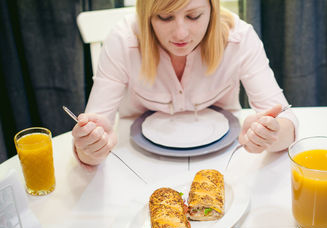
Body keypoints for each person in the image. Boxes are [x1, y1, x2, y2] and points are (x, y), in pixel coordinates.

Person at [72, 0, 298, 167]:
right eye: (165, 17)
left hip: (225, 161)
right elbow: (92, 140)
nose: (180, 33)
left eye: (194, 16)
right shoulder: (123, 41)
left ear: (212, 8)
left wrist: (270, 134)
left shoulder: (240, 38)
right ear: (146, 15)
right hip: (137, 162)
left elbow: (287, 121)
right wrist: (92, 147)